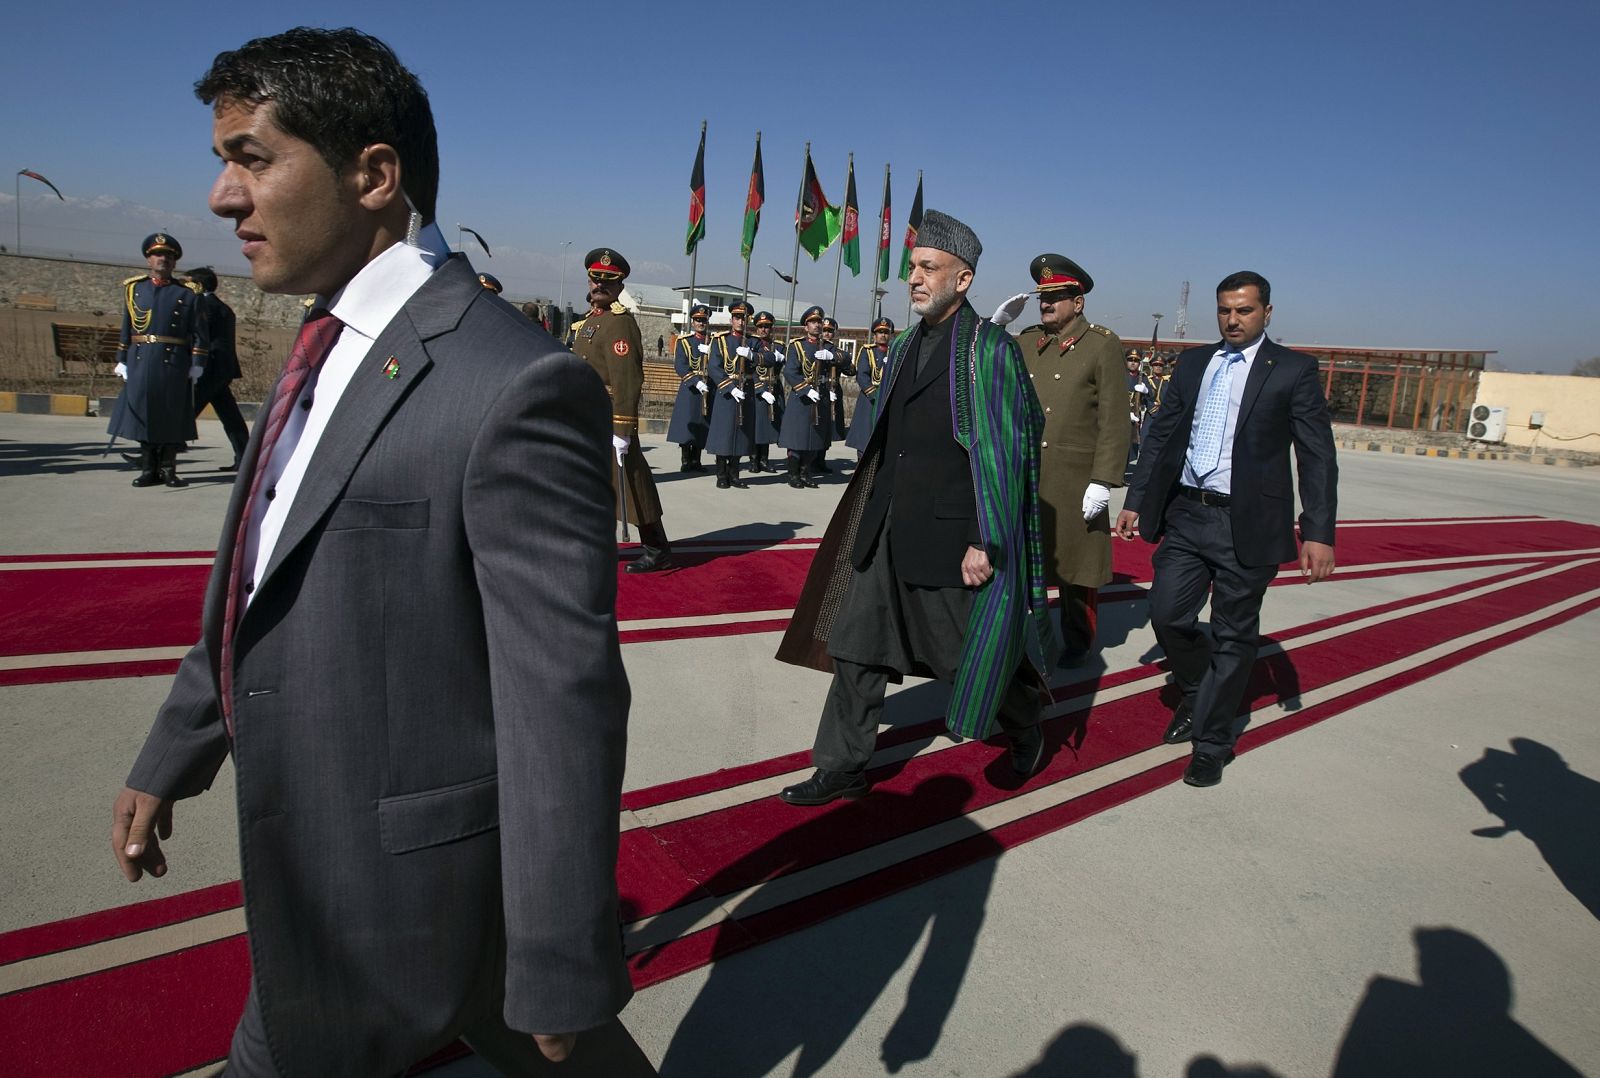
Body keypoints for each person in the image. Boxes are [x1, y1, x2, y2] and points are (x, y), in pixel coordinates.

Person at [108, 28, 646, 1075]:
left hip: (402, 876)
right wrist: (175, 750)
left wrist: (561, 955)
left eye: (252, 158)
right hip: (323, 850)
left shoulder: (514, 384)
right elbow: (256, 586)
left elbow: (560, 695)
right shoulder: (321, 344)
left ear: (373, 175)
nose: (222, 198)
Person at [776, 210, 1059, 805]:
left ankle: (1025, 719)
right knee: (856, 650)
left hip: (952, 538)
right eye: (912, 268)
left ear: (963, 280)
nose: (915, 278)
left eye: (929, 268)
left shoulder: (991, 351)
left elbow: (1009, 452)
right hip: (885, 527)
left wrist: (987, 538)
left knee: (965, 656)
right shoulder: (903, 344)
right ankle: (842, 764)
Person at [1115, 270, 1337, 787]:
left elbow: (1316, 455)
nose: (1232, 319)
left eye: (1244, 310)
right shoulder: (1194, 363)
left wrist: (1319, 531)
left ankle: (1212, 743)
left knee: (1236, 633)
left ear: (1266, 313)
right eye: (1225, 310)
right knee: (1166, 612)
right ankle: (1199, 687)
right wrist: (1138, 499)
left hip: (1249, 523)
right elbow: (1161, 433)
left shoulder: (1293, 370)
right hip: (1187, 514)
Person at [993, 254, 1128, 662]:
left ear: (1078, 302)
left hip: (1074, 478)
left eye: (1056, 297)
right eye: (1042, 298)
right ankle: (1016, 632)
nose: (1046, 304)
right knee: (1020, 560)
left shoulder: (1102, 344)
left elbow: (1114, 419)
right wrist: (995, 327)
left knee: (1075, 569)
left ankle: (1077, 640)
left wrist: (1104, 480)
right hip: (1027, 473)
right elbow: (982, 361)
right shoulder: (1027, 342)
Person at [570, 247, 675, 573]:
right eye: (595, 279)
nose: (599, 286)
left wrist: (622, 431)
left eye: (608, 282)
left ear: (619, 286)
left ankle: (656, 549)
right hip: (585, 417)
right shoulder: (589, 322)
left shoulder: (620, 324)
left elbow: (628, 380)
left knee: (631, 483)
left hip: (608, 418)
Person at [108, 232, 210, 488]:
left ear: (174, 263)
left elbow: (200, 332)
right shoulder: (134, 289)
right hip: (141, 358)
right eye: (157, 255)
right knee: (143, 412)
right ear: (148, 260)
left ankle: (168, 468)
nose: (162, 259)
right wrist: (122, 358)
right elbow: (126, 326)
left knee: (170, 413)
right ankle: (148, 469)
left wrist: (197, 363)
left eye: (168, 256)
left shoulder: (188, 293)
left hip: (173, 360)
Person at [186, 266, 250, 471]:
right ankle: (245, 459)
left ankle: (157, 457)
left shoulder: (204, 306)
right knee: (230, 416)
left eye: (188, 282)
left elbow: (198, 337)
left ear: (198, 285)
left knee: (184, 414)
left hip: (209, 369)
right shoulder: (221, 306)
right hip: (222, 370)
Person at [777, 305, 832, 488]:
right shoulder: (796, 346)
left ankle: (805, 472)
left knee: (814, 437)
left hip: (820, 394)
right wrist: (805, 389)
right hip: (802, 397)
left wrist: (832, 355)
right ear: (806, 326)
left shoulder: (827, 346)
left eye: (819, 322)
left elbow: (846, 360)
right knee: (797, 437)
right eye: (813, 322)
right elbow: (790, 371)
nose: (817, 325)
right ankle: (793, 474)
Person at [705, 299, 756, 489]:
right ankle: (721, 473)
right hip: (727, 393)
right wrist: (729, 387)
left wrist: (752, 356)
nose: (740, 322)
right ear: (731, 318)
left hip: (746, 391)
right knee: (724, 433)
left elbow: (768, 359)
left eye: (744, 318)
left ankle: (735, 473)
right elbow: (714, 367)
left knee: (741, 434)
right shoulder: (721, 340)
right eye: (737, 318)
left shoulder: (752, 341)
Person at [668, 302, 714, 472]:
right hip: (691, 388)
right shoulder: (685, 341)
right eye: (697, 320)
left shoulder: (714, 341)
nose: (701, 323)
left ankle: (697, 460)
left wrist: (710, 351)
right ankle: (686, 459)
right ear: (693, 322)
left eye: (703, 320)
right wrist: (696, 381)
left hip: (708, 387)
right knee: (687, 423)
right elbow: (680, 365)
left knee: (703, 423)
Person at [844, 315, 892, 456]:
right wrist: (874, 394)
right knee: (865, 434)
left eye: (886, 332)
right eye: (880, 332)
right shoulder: (867, 351)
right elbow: (862, 375)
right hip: (869, 397)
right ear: (875, 335)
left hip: (887, 396)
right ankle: (861, 466)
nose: (883, 335)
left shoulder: (894, 352)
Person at [749, 309, 784, 472]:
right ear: (756, 328)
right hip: (757, 389)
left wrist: (782, 359)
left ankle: (764, 460)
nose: (764, 329)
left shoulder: (779, 346)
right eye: (761, 326)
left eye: (767, 326)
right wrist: (759, 389)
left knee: (769, 426)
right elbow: (750, 370)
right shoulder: (751, 344)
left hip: (774, 387)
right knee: (756, 425)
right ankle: (753, 459)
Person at [818, 315, 851, 471]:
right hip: (819, 389)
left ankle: (821, 459)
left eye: (830, 331)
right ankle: (811, 460)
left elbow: (849, 364)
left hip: (834, 390)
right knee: (817, 424)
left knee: (829, 428)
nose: (827, 334)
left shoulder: (836, 351)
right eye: (824, 330)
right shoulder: (816, 347)